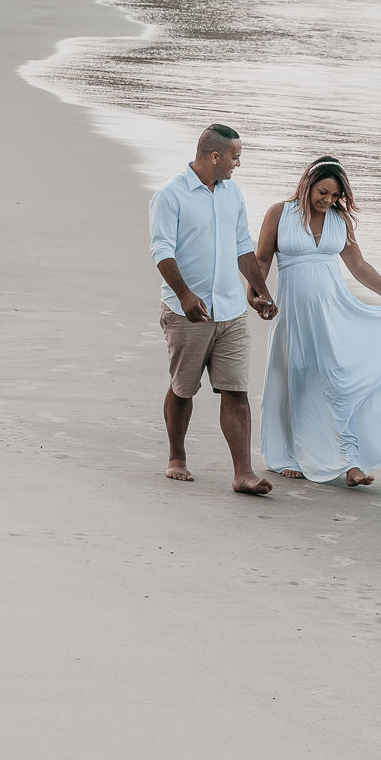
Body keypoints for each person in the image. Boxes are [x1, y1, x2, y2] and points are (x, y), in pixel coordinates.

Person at [255, 156, 381, 486]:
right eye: (323, 192)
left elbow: (358, 266)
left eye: (335, 196)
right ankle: (290, 455)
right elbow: (262, 260)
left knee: (337, 384)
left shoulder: (339, 221)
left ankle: (349, 461)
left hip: (333, 314)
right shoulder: (279, 213)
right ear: (307, 185)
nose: (328, 201)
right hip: (292, 315)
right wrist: (258, 294)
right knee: (295, 382)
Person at [149, 124, 279, 496]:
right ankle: (177, 456)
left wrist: (260, 291)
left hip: (232, 311)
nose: (239, 164)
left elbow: (242, 246)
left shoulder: (232, 192)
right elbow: (162, 250)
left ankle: (243, 473)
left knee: (235, 391)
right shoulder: (170, 195)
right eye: (235, 157)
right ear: (215, 156)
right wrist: (185, 295)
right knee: (183, 388)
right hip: (187, 312)